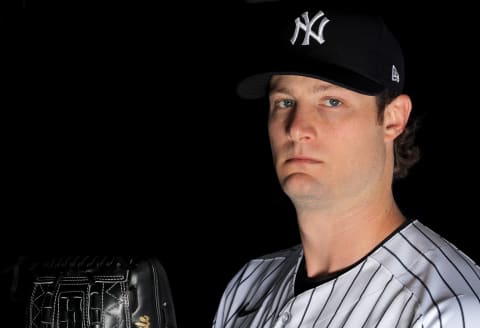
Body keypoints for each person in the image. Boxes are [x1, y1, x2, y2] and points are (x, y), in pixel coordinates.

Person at [213, 6, 480, 328]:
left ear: (392, 118)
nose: (297, 128)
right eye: (285, 102)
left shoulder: (447, 309)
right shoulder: (249, 283)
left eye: (332, 102)